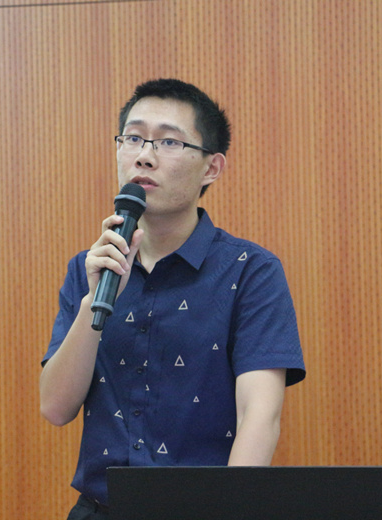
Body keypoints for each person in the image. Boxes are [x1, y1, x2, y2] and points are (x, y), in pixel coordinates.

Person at [40, 78, 305, 520]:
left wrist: (232, 512)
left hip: (206, 513)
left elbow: (259, 415)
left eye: (168, 142)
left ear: (211, 168)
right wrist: (93, 303)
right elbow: (55, 407)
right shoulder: (89, 268)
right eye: (132, 138)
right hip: (99, 510)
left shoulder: (249, 271)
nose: (144, 155)